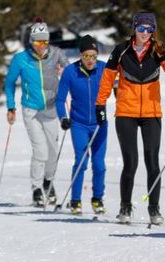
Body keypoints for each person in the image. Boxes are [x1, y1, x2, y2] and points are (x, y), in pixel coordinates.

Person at [95, 11, 165, 225]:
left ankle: (154, 208)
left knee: (152, 162)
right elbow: (107, 78)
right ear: (134, 28)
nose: (145, 33)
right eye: (141, 28)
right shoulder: (121, 50)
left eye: (149, 29)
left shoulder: (157, 49)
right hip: (126, 113)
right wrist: (100, 103)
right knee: (130, 162)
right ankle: (125, 208)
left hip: (152, 113)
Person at [5, 17, 70, 207]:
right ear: (31, 41)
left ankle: (48, 182)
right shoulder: (21, 59)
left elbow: (71, 69)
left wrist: (64, 71)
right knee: (40, 150)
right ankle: (36, 189)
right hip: (31, 110)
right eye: (37, 41)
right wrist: (11, 107)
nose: (42, 45)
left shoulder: (56, 54)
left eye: (45, 41)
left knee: (53, 151)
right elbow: (9, 84)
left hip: (51, 109)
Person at [55, 35, 108, 215]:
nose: (90, 60)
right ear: (80, 56)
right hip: (79, 124)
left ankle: (97, 198)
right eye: (86, 56)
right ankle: (76, 200)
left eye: (93, 56)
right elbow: (60, 100)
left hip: (100, 124)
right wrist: (63, 118)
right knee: (81, 161)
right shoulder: (70, 72)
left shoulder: (104, 68)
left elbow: (118, 88)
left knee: (99, 165)